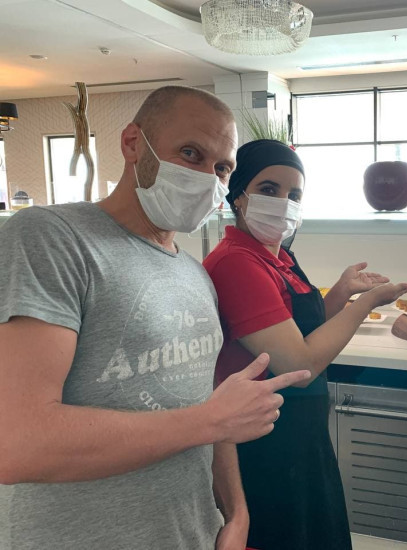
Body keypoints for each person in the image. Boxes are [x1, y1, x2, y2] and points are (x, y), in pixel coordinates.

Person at [0, 86, 310, 550]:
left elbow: (213, 409)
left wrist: (235, 512)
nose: (207, 177)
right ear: (132, 143)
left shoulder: (194, 274)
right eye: (190, 153)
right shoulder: (52, 238)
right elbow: (18, 443)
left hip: (193, 532)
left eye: (222, 168)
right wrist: (207, 421)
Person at [203, 139, 407, 550]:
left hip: (301, 434)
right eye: (269, 189)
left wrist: (342, 293)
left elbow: (299, 330)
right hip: (265, 441)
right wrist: (366, 304)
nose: (284, 202)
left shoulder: (277, 255)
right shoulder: (237, 263)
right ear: (238, 195)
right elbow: (297, 365)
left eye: (294, 194)